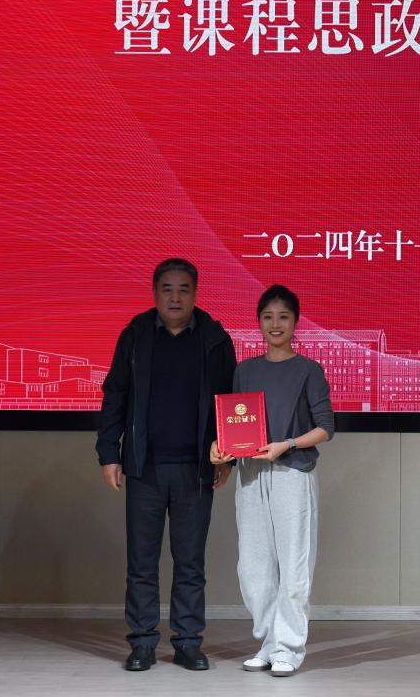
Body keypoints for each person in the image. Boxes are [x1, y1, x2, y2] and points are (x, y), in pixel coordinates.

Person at [96, 258, 236, 673]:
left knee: (190, 563)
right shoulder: (135, 335)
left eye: (184, 289)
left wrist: (229, 455)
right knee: (141, 562)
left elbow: (231, 400)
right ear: (155, 292)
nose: (175, 298)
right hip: (145, 467)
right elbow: (115, 394)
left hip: (196, 469)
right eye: (167, 289)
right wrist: (109, 453)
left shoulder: (215, 338)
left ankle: (188, 643)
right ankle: (142, 643)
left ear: (196, 293)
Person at [211, 284, 334, 677]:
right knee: (254, 568)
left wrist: (287, 444)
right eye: (268, 316)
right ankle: (268, 642)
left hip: (292, 474)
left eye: (283, 316)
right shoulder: (245, 370)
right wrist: (220, 450)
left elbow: (325, 428)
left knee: (293, 566)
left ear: (295, 322)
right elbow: (233, 423)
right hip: (251, 475)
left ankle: (288, 649)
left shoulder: (309, 370)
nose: (275, 324)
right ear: (259, 322)